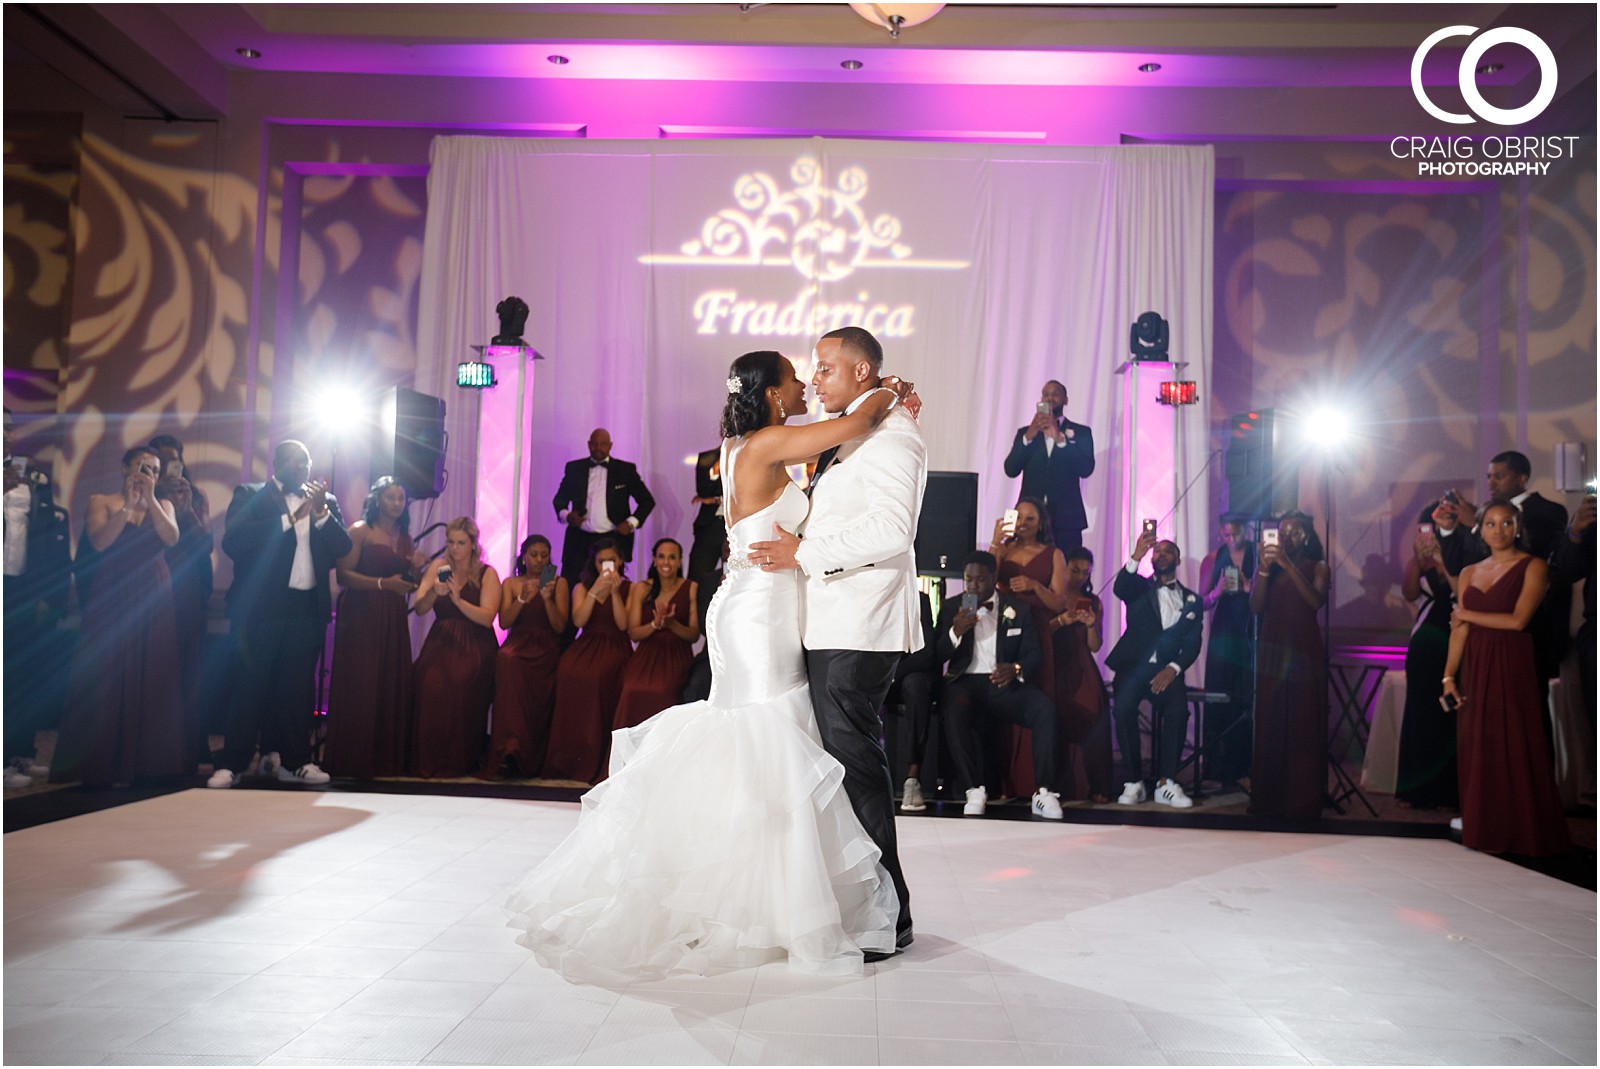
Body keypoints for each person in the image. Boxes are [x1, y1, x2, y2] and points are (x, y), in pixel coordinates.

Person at [505, 349, 913, 982]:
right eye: (794, 374)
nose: (805, 379)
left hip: (749, 600)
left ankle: (741, 897)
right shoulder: (772, 439)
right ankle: (758, 903)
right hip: (760, 609)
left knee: (756, 739)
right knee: (765, 737)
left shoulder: (741, 443)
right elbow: (856, 429)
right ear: (775, 394)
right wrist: (886, 390)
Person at [749, 326, 927, 957]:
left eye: (824, 368)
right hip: (832, 621)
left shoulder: (894, 433)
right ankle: (863, 905)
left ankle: (889, 913)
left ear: (859, 374)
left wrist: (806, 553)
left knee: (856, 769)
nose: (814, 378)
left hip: (859, 624)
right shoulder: (860, 426)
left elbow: (892, 530)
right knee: (842, 766)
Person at [212, 440, 349, 788]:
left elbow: (343, 548)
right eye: (293, 462)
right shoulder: (251, 495)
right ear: (276, 464)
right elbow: (234, 541)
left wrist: (319, 514)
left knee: (297, 690)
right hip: (261, 610)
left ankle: (296, 762)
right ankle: (233, 763)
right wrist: (288, 519)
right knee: (249, 686)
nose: (301, 469)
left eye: (305, 462)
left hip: (307, 609)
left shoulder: (325, 503)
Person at [50, 446, 186, 787]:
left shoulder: (165, 504)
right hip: (112, 591)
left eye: (155, 470)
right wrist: (127, 503)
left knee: (153, 667)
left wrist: (151, 499)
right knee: (105, 671)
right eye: (142, 466)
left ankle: (149, 763)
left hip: (153, 591)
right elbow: (99, 543)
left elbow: (171, 538)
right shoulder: (102, 501)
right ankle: (101, 760)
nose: (148, 474)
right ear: (125, 467)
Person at [1442, 500, 1570, 857]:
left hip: (1512, 660)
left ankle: (1523, 829)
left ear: (1518, 527)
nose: (1498, 530)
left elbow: (1517, 621)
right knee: (1477, 742)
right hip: (1475, 663)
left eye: (1506, 523)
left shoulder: (1534, 566)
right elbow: (1459, 632)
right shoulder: (1468, 572)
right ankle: (1484, 824)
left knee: (1514, 738)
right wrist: (1448, 677)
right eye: (1490, 524)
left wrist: (1465, 613)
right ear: (1480, 530)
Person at [934, 551, 1064, 820]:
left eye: (980, 580)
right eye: (968, 580)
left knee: (1044, 710)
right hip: (965, 682)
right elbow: (936, 655)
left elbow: (1033, 654)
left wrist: (1015, 668)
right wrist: (955, 631)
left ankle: (1044, 791)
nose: (973, 586)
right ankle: (973, 789)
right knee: (953, 708)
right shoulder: (950, 608)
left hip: (1002, 681)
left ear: (993, 578)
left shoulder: (1018, 608)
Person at [325, 476, 420, 780]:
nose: (396, 503)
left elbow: (407, 584)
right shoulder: (360, 531)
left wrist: (417, 569)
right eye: (391, 497)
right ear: (377, 499)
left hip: (392, 616)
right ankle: (354, 758)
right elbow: (343, 576)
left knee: (388, 680)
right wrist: (382, 584)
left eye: (401, 498)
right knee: (362, 682)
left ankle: (385, 758)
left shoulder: (405, 537)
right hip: (361, 614)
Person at [1107, 530, 1202, 809]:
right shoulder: (1138, 588)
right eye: (1157, 551)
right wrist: (1136, 554)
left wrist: (1173, 669)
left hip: (1167, 671)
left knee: (1177, 711)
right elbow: (1120, 588)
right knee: (1123, 708)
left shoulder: (1192, 599)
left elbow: (1193, 644)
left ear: (1178, 559)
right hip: (1133, 668)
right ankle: (1134, 781)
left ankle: (1166, 782)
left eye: (1167, 551)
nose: (1161, 555)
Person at [3, 409, 72, 786]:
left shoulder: (33, 477)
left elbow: (48, 538)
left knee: (20, 675)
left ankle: (18, 754)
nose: (7, 435)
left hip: (21, 588)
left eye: (10, 428)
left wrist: (52, 593)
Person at [1248, 511, 1329, 820]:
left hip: (1303, 649)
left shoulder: (1318, 567)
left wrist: (1287, 565)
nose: (1286, 539)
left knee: (1301, 719)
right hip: (1272, 648)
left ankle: (1302, 799)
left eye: (1294, 533)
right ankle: (1269, 796)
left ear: (1305, 537)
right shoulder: (1268, 568)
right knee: (1271, 718)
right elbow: (1256, 607)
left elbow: (1314, 601)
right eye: (1282, 533)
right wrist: (1265, 570)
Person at [990, 497, 1069, 799]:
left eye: (1030, 519)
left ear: (1041, 523)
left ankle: (1039, 783)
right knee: (1003, 695)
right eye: (1019, 517)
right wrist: (996, 544)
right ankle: (1004, 783)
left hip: (1038, 630)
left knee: (1040, 700)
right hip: (1004, 630)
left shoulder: (1053, 554)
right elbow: (983, 581)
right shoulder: (1004, 549)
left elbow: (1059, 602)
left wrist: (1035, 586)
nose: (1023, 523)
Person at [411, 516, 500, 779]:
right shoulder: (439, 567)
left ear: (473, 544)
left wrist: (458, 601)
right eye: (450, 542)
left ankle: (459, 761)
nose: (454, 548)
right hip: (442, 638)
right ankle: (428, 758)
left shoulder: (487, 573)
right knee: (428, 681)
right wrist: (433, 594)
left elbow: (487, 617)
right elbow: (419, 608)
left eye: (461, 543)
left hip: (475, 641)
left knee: (461, 682)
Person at [1395, 498, 1467, 810]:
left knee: (1454, 709)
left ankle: (1454, 789)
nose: (1435, 531)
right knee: (1422, 708)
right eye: (1431, 526)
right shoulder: (1419, 558)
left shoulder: (1467, 549)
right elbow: (1410, 593)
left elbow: (1463, 591)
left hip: (1459, 631)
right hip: (1425, 637)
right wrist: (1416, 558)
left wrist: (1440, 561)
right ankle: (1421, 788)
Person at [541, 539, 633, 783]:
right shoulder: (581, 588)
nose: (606, 566)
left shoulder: (630, 587)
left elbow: (624, 625)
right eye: (601, 561)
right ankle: (569, 757)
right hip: (587, 643)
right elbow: (580, 621)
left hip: (615, 645)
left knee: (597, 678)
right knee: (568, 671)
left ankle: (596, 758)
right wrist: (595, 591)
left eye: (610, 560)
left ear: (620, 562)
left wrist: (613, 592)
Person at [149, 433, 215, 771]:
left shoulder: (193, 494)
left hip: (187, 586)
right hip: (149, 587)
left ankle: (187, 745)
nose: (168, 466)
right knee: (154, 665)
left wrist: (187, 510)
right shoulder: (143, 493)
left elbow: (206, 546)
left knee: (188, 668)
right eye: (161, 459)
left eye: (174, 458)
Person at [482, 534, 568, 780]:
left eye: (544, 555)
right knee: (506, 659)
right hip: (518, 641)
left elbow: (560, 626)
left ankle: (533, 755)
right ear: (524, 557)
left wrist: (547, 599)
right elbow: (506, 621)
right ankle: (508, 751)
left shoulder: (558, 583)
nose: (540, 560)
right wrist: (522, 598)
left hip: (546, 644)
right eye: (534, 555)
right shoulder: (511, 583)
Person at [1048, 546, 1113, 803]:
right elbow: (1041, 632)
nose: (1081, 577)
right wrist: (1063, 619)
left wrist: (1090, 625)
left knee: (1094, 714)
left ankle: (1097, 783)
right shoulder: (1052, 596)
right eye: (1075, 570)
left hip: (1082, 663)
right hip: (1053, 662)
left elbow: (1096, 646)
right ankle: (1057, 784)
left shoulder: (1093, 601)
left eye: (1086, 572)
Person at [613, 538, 699, 729]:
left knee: (663, 692)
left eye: (672, 558)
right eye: (661, 557)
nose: (666, 563)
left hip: (676, 655)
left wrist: (672, 624)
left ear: (679, 561)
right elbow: (634, 634)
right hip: (646, 654)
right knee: (631, 690)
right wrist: (655, 624)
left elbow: (694, 635)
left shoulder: (691, 587)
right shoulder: (642, 588)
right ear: (654, 560)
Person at [1001, 380, 1095, 552]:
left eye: (1055, 394)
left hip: (1066, 519)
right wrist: (1028, 438)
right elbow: (1010, 470)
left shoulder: (1081, 432)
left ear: (1065, 400)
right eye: (1046, 394)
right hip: (1028, 518)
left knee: (1065, 568)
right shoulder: (1025, 433)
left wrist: (1060, 440)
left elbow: (1086, 469)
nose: (1050, 398)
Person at [551, 429, 656, 582]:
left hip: (613, 539)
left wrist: (631, 523)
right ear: (588, 445)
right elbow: (559, 500)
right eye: (594, 444)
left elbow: (647, 501)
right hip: (580, 539)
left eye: (603, 444)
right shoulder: (575, 469)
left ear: (610, 446)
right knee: (573, 584)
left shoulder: (625, 470)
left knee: (609, 586)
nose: (598, 447)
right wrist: (567, 515)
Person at [1200, 515, 1255, 788]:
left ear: (1246, 531)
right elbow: (1201, 601)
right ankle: (1217, 767)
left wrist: (1249, 586)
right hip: (1224, 632)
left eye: (1234, 534)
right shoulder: (1214, 558)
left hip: (1251, 629)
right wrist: (1217, 592)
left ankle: (1244, 766)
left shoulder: (1258, 555)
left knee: (1247, 696)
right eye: (1225, 535)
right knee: (1220, 694)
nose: (1230, 540)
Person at [687, 446, 725, 588]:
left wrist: (716, 500)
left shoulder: (751, 453)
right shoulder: (707, 457)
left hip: (736, 525)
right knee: (697, 577)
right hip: (710, 525)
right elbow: (703, 490)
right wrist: (719, 463)